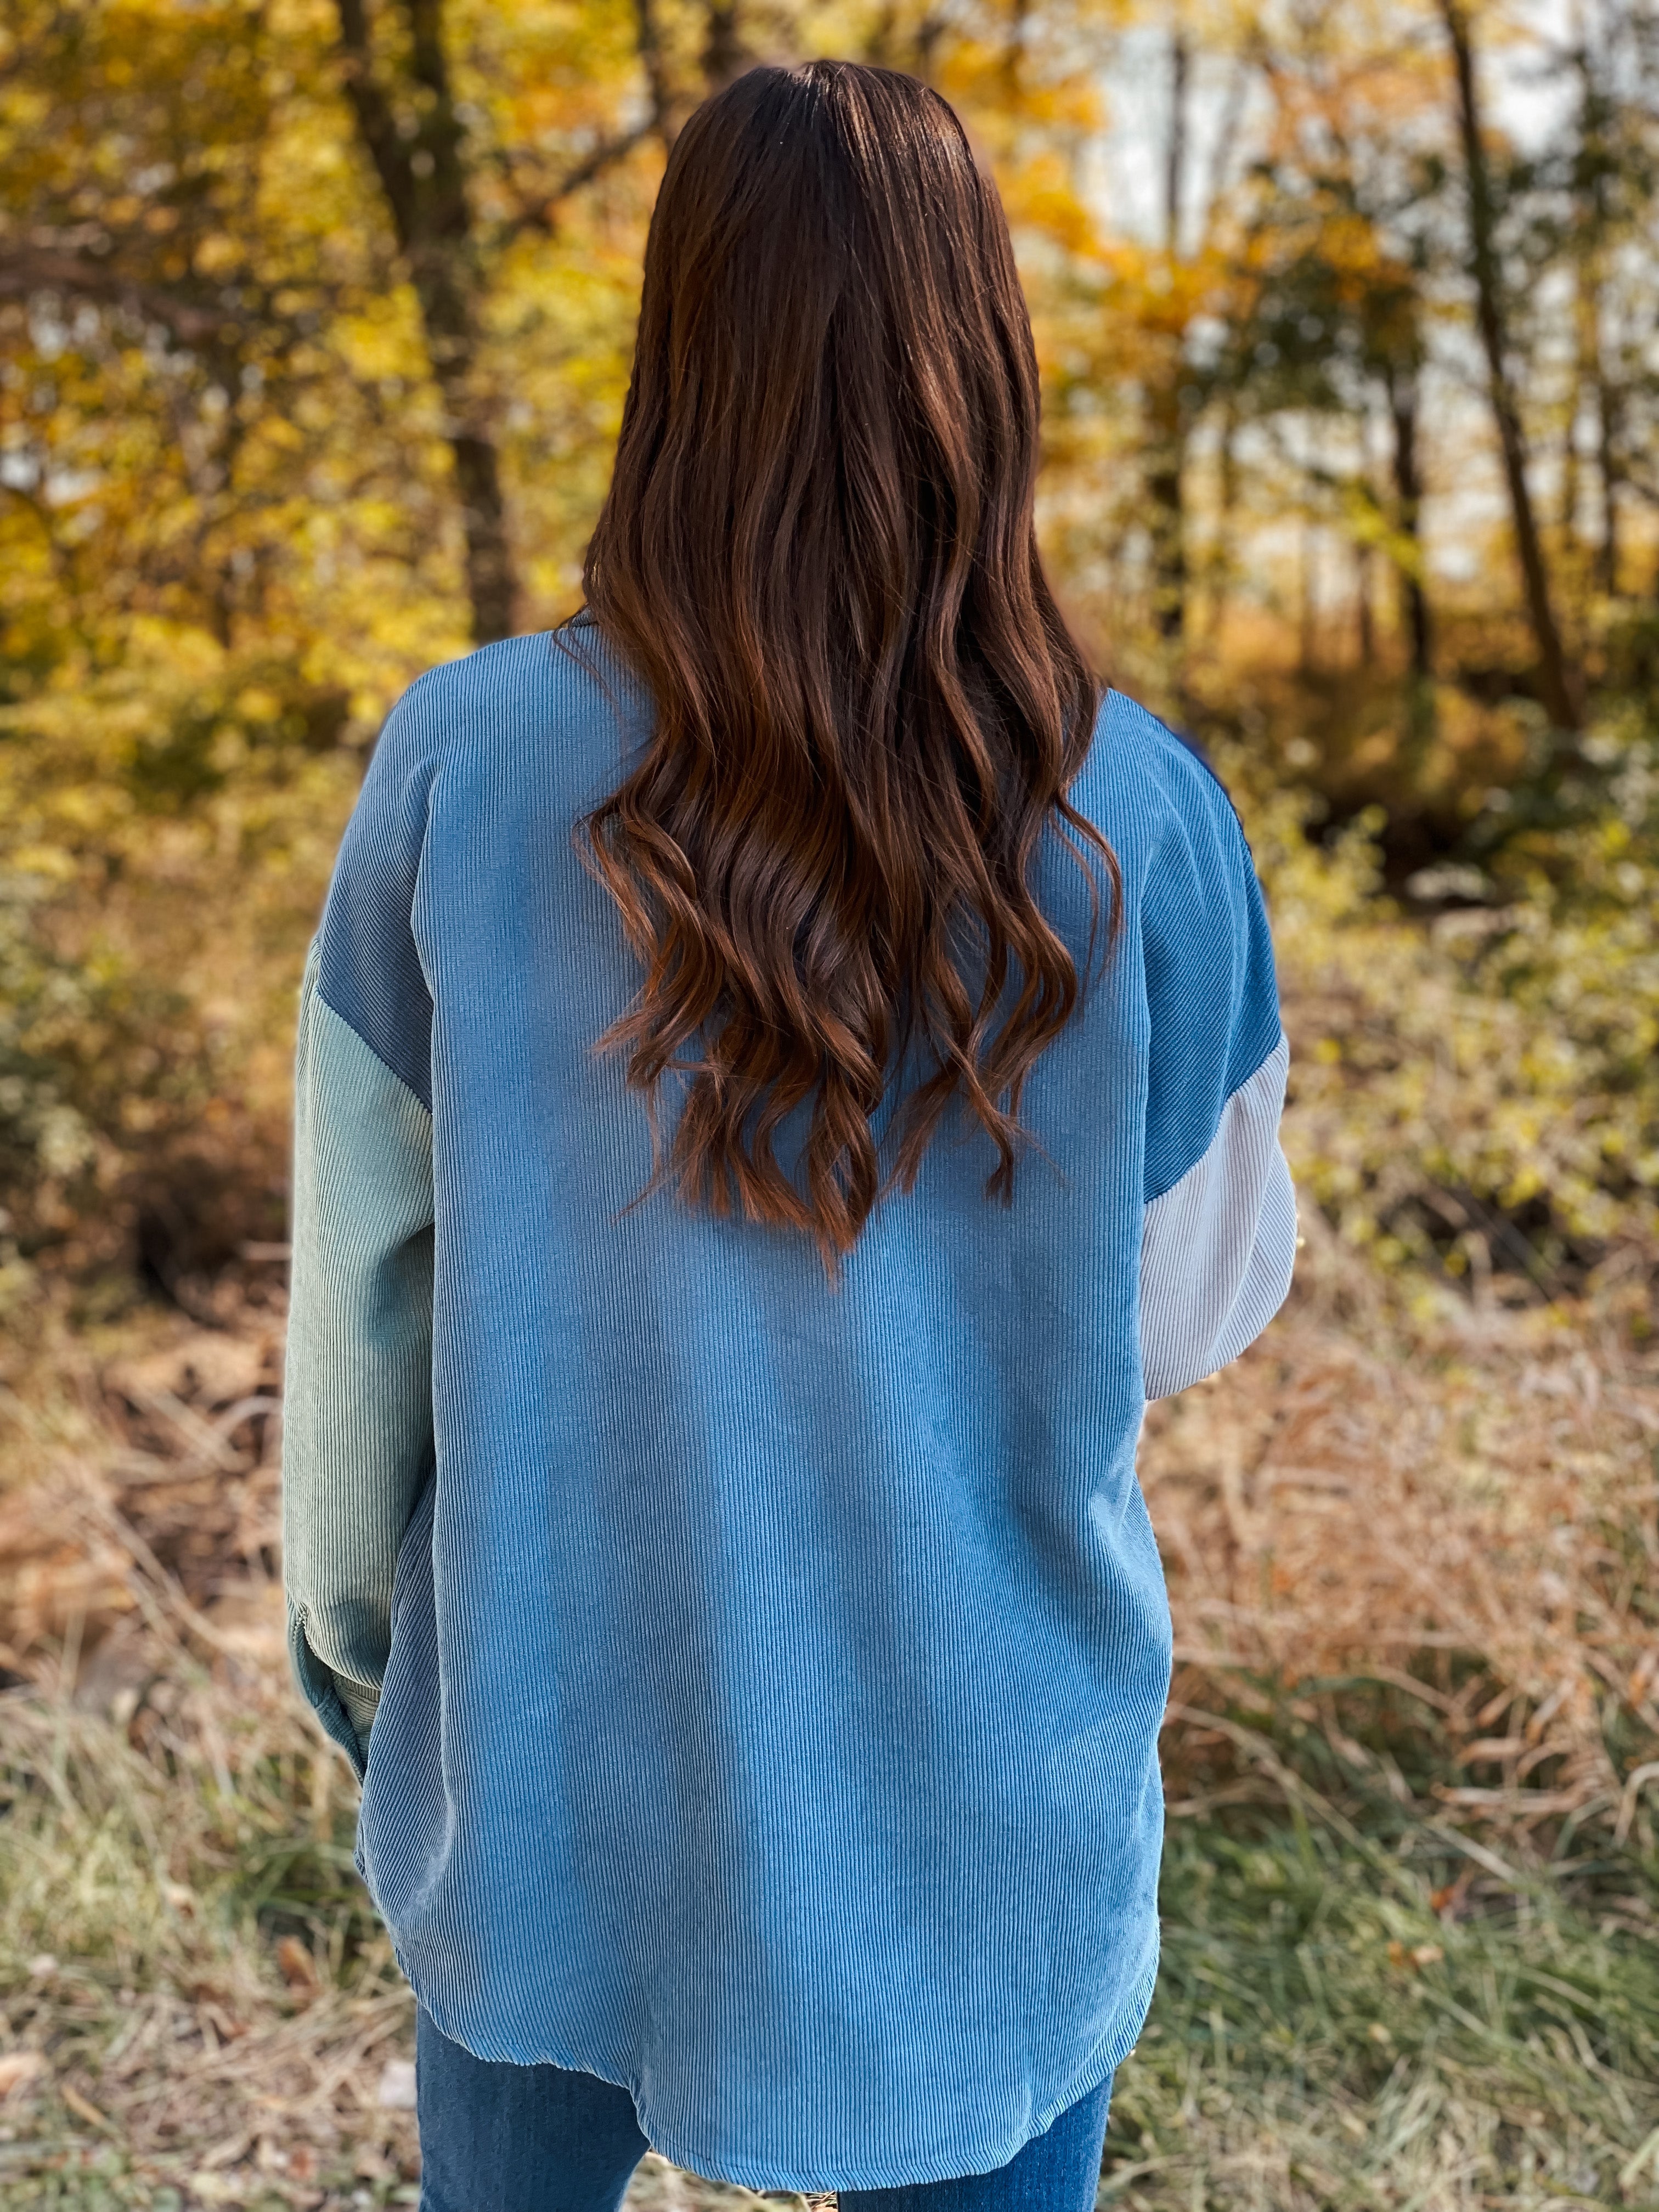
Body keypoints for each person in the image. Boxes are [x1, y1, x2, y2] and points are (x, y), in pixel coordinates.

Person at [281, 57, 1296, 2212]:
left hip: (552, 1748)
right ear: (985, 362)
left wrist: (377, 1670)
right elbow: (1190, 1310)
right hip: (989, 1792)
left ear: (682, 356)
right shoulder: (1146, 817)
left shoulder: (462, 766)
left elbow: (362, 1313)